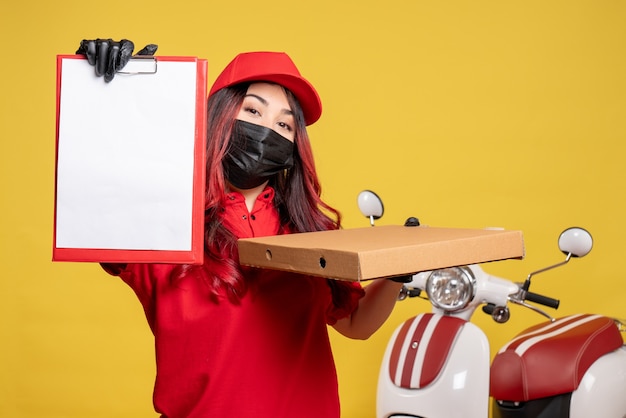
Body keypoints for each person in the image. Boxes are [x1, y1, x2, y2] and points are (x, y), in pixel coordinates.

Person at [78, 39, 405, 418]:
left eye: (284, 123)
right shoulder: (161, 220)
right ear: (218, 117)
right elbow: (90, 198)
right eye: (253, 111)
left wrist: (400, 269)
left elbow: (354, 323)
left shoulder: (310, 229)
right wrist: (103, 89)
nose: (269, 130)